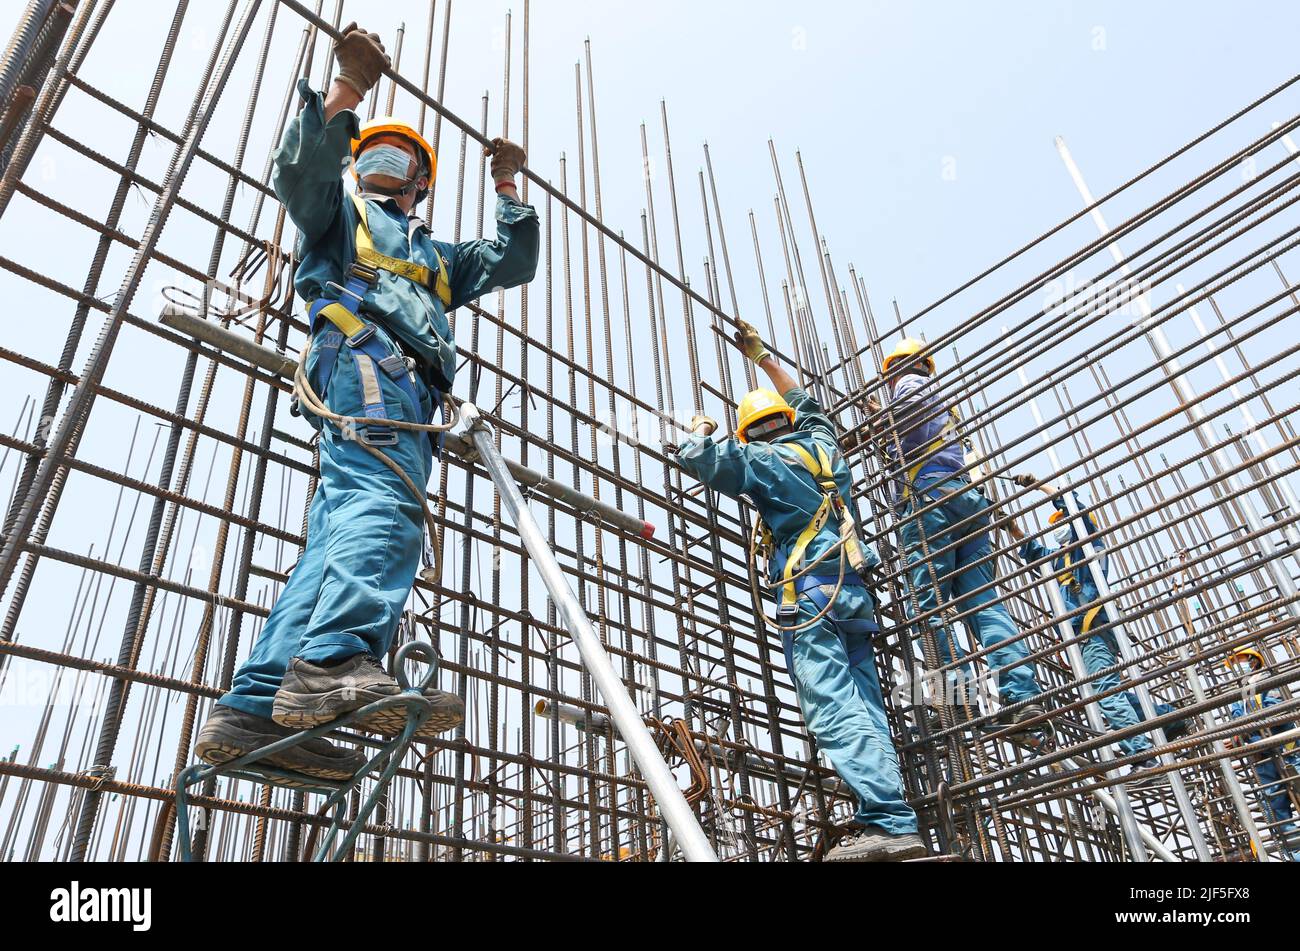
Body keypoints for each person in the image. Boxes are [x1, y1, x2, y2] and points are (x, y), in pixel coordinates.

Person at [196, 23, 539, 780]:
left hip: (398, 384)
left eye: (403, 158)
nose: (387, 161)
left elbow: (515, 259)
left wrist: (506, 186)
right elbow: (299, 170)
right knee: (385, 504)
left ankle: (254, 708)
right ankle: (333, 663)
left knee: (332, 544)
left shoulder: (437, 258)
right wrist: (348, 86)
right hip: (369, 366)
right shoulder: (339, 212)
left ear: (421, 185)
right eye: (374, 149)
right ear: (357, 161)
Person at [673, 320, 927, 862]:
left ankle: (887, 820)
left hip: (810, 597)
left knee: (832, 707)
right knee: (866, 706)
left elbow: (698, 457)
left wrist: (700, 426)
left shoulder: (762, 460)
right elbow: (809, 406)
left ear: (748, 433)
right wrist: (762, 356)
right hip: (852, 593)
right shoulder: (823, 446)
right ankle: (893, 816)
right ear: (786, 421)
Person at [877, 339, 1044, 733]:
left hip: (930, 499)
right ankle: (1022, 696)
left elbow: (906, 409)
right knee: (984, 604)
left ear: (895, 371)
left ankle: (958, 700)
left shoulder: (908, 385)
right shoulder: (946, 406)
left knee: (927, 606)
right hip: (967, 502)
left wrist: (876, 426)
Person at [1005, 481, 1189, 784]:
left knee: (1105, 693)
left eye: (1063, 521)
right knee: (1105, 690)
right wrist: (1013, 528)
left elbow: (1074, 507)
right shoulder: (1062, 558)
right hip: (1083, 636)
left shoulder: (1087, 546)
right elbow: (1034, 552)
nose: (1059, 527)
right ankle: (1165, 717)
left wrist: (1041, 487)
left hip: (1093, 630)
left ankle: (1144, 756)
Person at [1225, 647, 1300, 853]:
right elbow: (1237, 721)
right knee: (1274, 806)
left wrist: (1246, 730)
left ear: (1254, 661)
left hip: (1286, 750)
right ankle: (1295, 851)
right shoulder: (1241, 694)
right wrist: (1239, 736)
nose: (1237, 668)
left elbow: (1277, 712)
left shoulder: (1267, 681)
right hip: (1261, 755)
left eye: (1240, 662)